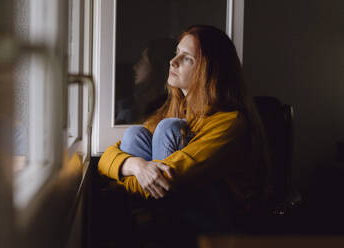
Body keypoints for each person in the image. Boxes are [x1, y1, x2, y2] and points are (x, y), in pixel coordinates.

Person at [98, 25, 271, 234]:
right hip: (176, 206)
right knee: (135, 135)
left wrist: (119, 183)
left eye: (186, 58)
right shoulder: (179, 108)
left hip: (222, 222)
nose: (173, 61)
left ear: (209, 70)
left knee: (168, 129)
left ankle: (153, 226)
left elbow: (165, 177)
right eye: (176, 53)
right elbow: (106, 158)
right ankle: (148, 221)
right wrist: (136, 166)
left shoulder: (230, 122)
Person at [115, 38, 176, 124]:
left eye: (141, 60)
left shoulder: (162, 106)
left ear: (155, 66)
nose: (135, 67)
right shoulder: (140, 102)